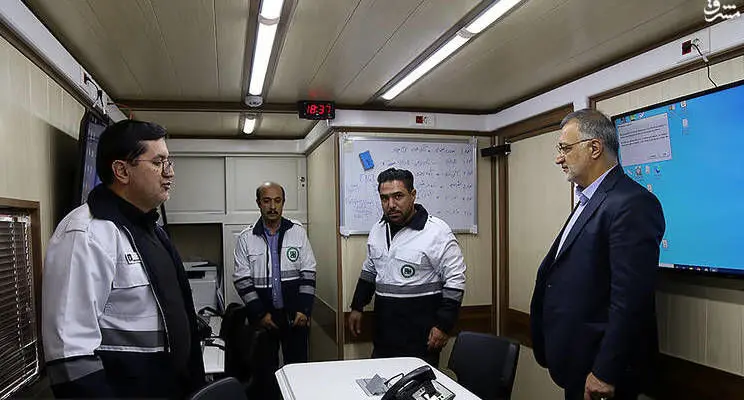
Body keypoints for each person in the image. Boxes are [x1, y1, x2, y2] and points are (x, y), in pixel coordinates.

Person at [42, 120, 206, 398]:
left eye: (169, 162)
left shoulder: (151, 230)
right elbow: (70, 354)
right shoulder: (85, 234)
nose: (169, 173)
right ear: (121, 171)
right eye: (158, 163)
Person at [530, 109, 665, 400]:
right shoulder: (589, 199)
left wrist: (606, 370)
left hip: (602, 371)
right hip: (577, 361)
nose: (559, 158)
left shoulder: (632, 203)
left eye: (565, 148)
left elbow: (631, 300)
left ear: (594, 148)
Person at [348, 168, 466, 366]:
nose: (391, 205)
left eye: (398, 196)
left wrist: (444, 325)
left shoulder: (436, 232)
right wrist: (357, 306)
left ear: (413, 195)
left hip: (420, 340)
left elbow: (455, 281)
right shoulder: (378, 230)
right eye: (384, 198)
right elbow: (370, 270)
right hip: (384, 337)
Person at [233, 182, 317, 398]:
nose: (272, 206)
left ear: (283, 203)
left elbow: (308, 272)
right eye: (267, 201)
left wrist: (304, 310)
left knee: (298, 372)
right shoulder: (246, 237)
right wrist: (260, 314)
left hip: (295, 316)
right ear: (258, 203)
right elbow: (242, 280)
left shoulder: (297, 233)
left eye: (277, 201)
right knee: (263, 375)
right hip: (263, 318)